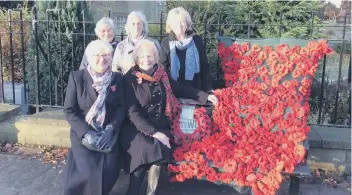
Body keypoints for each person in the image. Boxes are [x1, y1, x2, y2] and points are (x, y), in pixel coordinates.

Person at [120, 39, 218, 195]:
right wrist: (154, 133)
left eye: (151, 55)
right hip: (136, 128)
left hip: (161, 125)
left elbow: (179, 88)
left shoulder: (161, 74)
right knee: (147, 149)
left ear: (156, 57)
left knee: (158, 151)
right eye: (143, 56)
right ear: (137, 59)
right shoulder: (128, 79)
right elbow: (133, 113)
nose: (147, 59)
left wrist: (205, 96)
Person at [63, 40, 125, 195]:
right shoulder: (77, 77)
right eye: (97, 55)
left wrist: (111, 128)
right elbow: (69, 110)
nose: (102, 59)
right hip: (84, 133)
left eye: (106, 55)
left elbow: (122, 107)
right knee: (89, 173)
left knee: (110, 169)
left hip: (108, 132)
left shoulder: (117, 78)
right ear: (89, 58)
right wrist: (86, 133)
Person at [159, 7, 212, 92]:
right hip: (174, 88)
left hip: (196, 88)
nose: (179, 25)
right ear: (170, 25)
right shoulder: (165, 43)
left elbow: (204, 66)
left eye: (182, 22)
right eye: (175, 22)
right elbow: (163, 69)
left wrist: (208, 88)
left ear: (187, 23)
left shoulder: (197, 40)